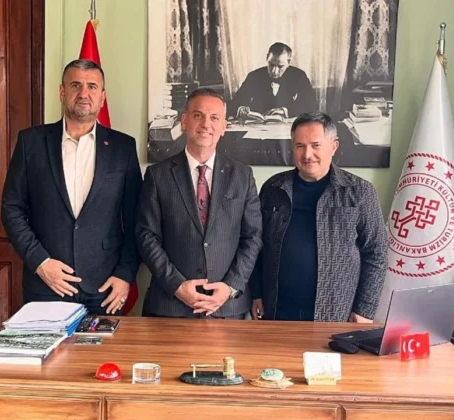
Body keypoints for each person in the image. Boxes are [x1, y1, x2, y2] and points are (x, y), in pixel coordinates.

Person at [1, 59, 142, 315]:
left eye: (92, 86)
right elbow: (12, 209)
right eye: (76, 85)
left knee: (105, 345)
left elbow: (136, 219)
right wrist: (40, 262)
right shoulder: (31, 142)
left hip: (105, 287)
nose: (84, 93)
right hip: (47, 283)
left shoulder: (123, 148)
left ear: (102, 97)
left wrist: (125, 274)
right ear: (62, 92)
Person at [249, 112, 388, 322]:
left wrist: (364, 310)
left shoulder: (360, 192)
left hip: (336, 313)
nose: (307, 154)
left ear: (333, 146)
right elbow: (256, 245)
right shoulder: (273, 188)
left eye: (316, 145)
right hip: (277, 309)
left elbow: (377, 252)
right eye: (300, 146)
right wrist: (256, 293)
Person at [136, 88, 262, 319]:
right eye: (198, 115)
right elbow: (146, 236)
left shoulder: (242, 176)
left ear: (224, 126)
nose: (206, 124)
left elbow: (253, 238)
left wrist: (230, 287)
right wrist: (176, 285)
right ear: (184, 121)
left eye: (214, 118)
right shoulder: (157, 175)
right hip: (169, 307)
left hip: (227, 308)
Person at [229, 42, 318, 119]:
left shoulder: (299, 76)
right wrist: (240, 109)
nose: (274, 71)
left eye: (280, 66)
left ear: (288, 62)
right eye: (271, 65)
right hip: (258, 127)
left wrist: (285, 111)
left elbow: (312, 105)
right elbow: (234, 104)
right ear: (267, 57)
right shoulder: (253, 76)